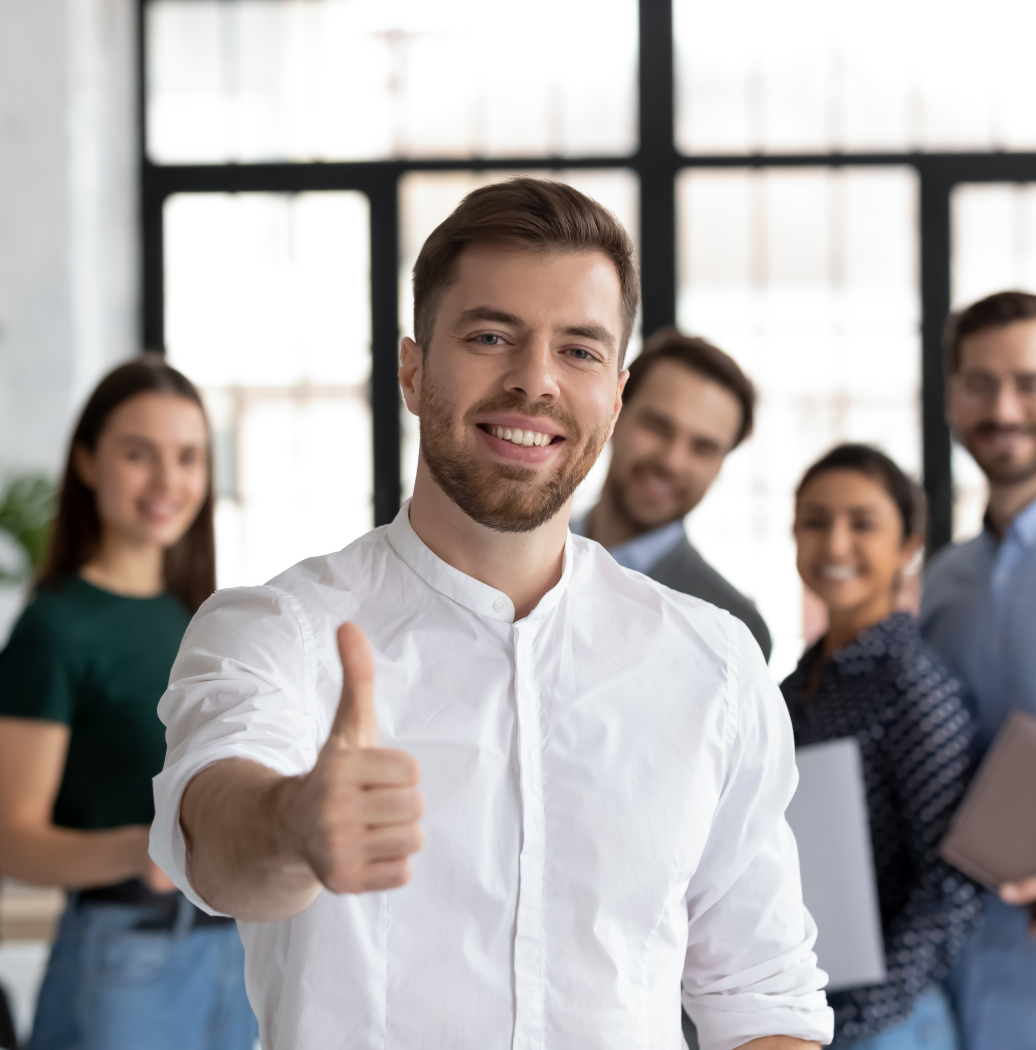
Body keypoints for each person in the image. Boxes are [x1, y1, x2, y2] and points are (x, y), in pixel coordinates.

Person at [149, 178, 833, 1050]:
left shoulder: (713, 664)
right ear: (411, 368)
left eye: (579, 350)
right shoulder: (275, 629)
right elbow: (215, 840)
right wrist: (294, 824)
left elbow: (764, 997)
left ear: (615, 396)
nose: (534, 382)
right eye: (490, 336)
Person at [0, 357, 257, 1050]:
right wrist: (143, 849)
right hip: (127, 956)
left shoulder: (207, 618)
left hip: (239, 951)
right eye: (139, 454)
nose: (169, 482)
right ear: (87, 461)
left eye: (189, 457)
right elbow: (13, 840)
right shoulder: (55, 628)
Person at [782, 444, 983, 1049]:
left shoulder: (914, 686)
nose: (835, 544)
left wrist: (854, 1023)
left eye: (862, 524)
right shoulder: (795, 688)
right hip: (805, 1008)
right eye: (815, 522)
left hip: (887, 1027)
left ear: (907, 544)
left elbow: (952, 887)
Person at [920, 290, 1036, 1050]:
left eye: (1028, 383)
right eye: (981, 383)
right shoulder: (940, 580)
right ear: (953, 399)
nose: (1003, 408)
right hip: (951, 956)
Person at [578, 327, 772, 660]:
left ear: (720, 466)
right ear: (614, 414)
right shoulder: (519, 558)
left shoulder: (733, 632)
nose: (671, 462)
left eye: (703, 448)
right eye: (657, 427)